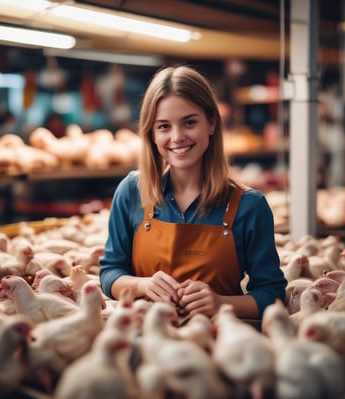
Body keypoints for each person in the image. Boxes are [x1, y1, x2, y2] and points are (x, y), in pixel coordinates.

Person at [99, 65, 286, 319]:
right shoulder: (132, 191)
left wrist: (221, 304)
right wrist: (143, 285)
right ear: (151, 133)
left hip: (218, 343)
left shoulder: (249, 206)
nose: (177, 137)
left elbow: (272, 294)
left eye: (189, 122)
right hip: (146, 341)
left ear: (211, 123)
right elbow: (110, 273)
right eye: (164, 126)